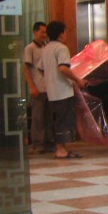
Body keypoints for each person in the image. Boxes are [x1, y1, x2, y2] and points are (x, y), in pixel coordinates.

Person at [40, 20, 88, 159]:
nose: (66, 34)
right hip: (62, 91)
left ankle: (59, 147)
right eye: (65, 32)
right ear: (61, 34)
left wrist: (51, 78)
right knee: (63, 120)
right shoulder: (61, 48)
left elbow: (41, 69)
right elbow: (63, 68)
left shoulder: (46, 49)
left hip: (51, 91)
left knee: (56, 120)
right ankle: (61, 150)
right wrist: (77, 80)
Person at [23, 21, 54, 154]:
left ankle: (49, 142)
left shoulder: (46, 47)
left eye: (45, 33)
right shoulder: (30, 48)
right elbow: (26, 69)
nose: (44, 35)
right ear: (35, 32)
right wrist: (32, 87)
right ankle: (37, 143)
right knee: (38, 118)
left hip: (49, 88)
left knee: (49, 117)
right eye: (42, 32)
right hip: (38, 88)